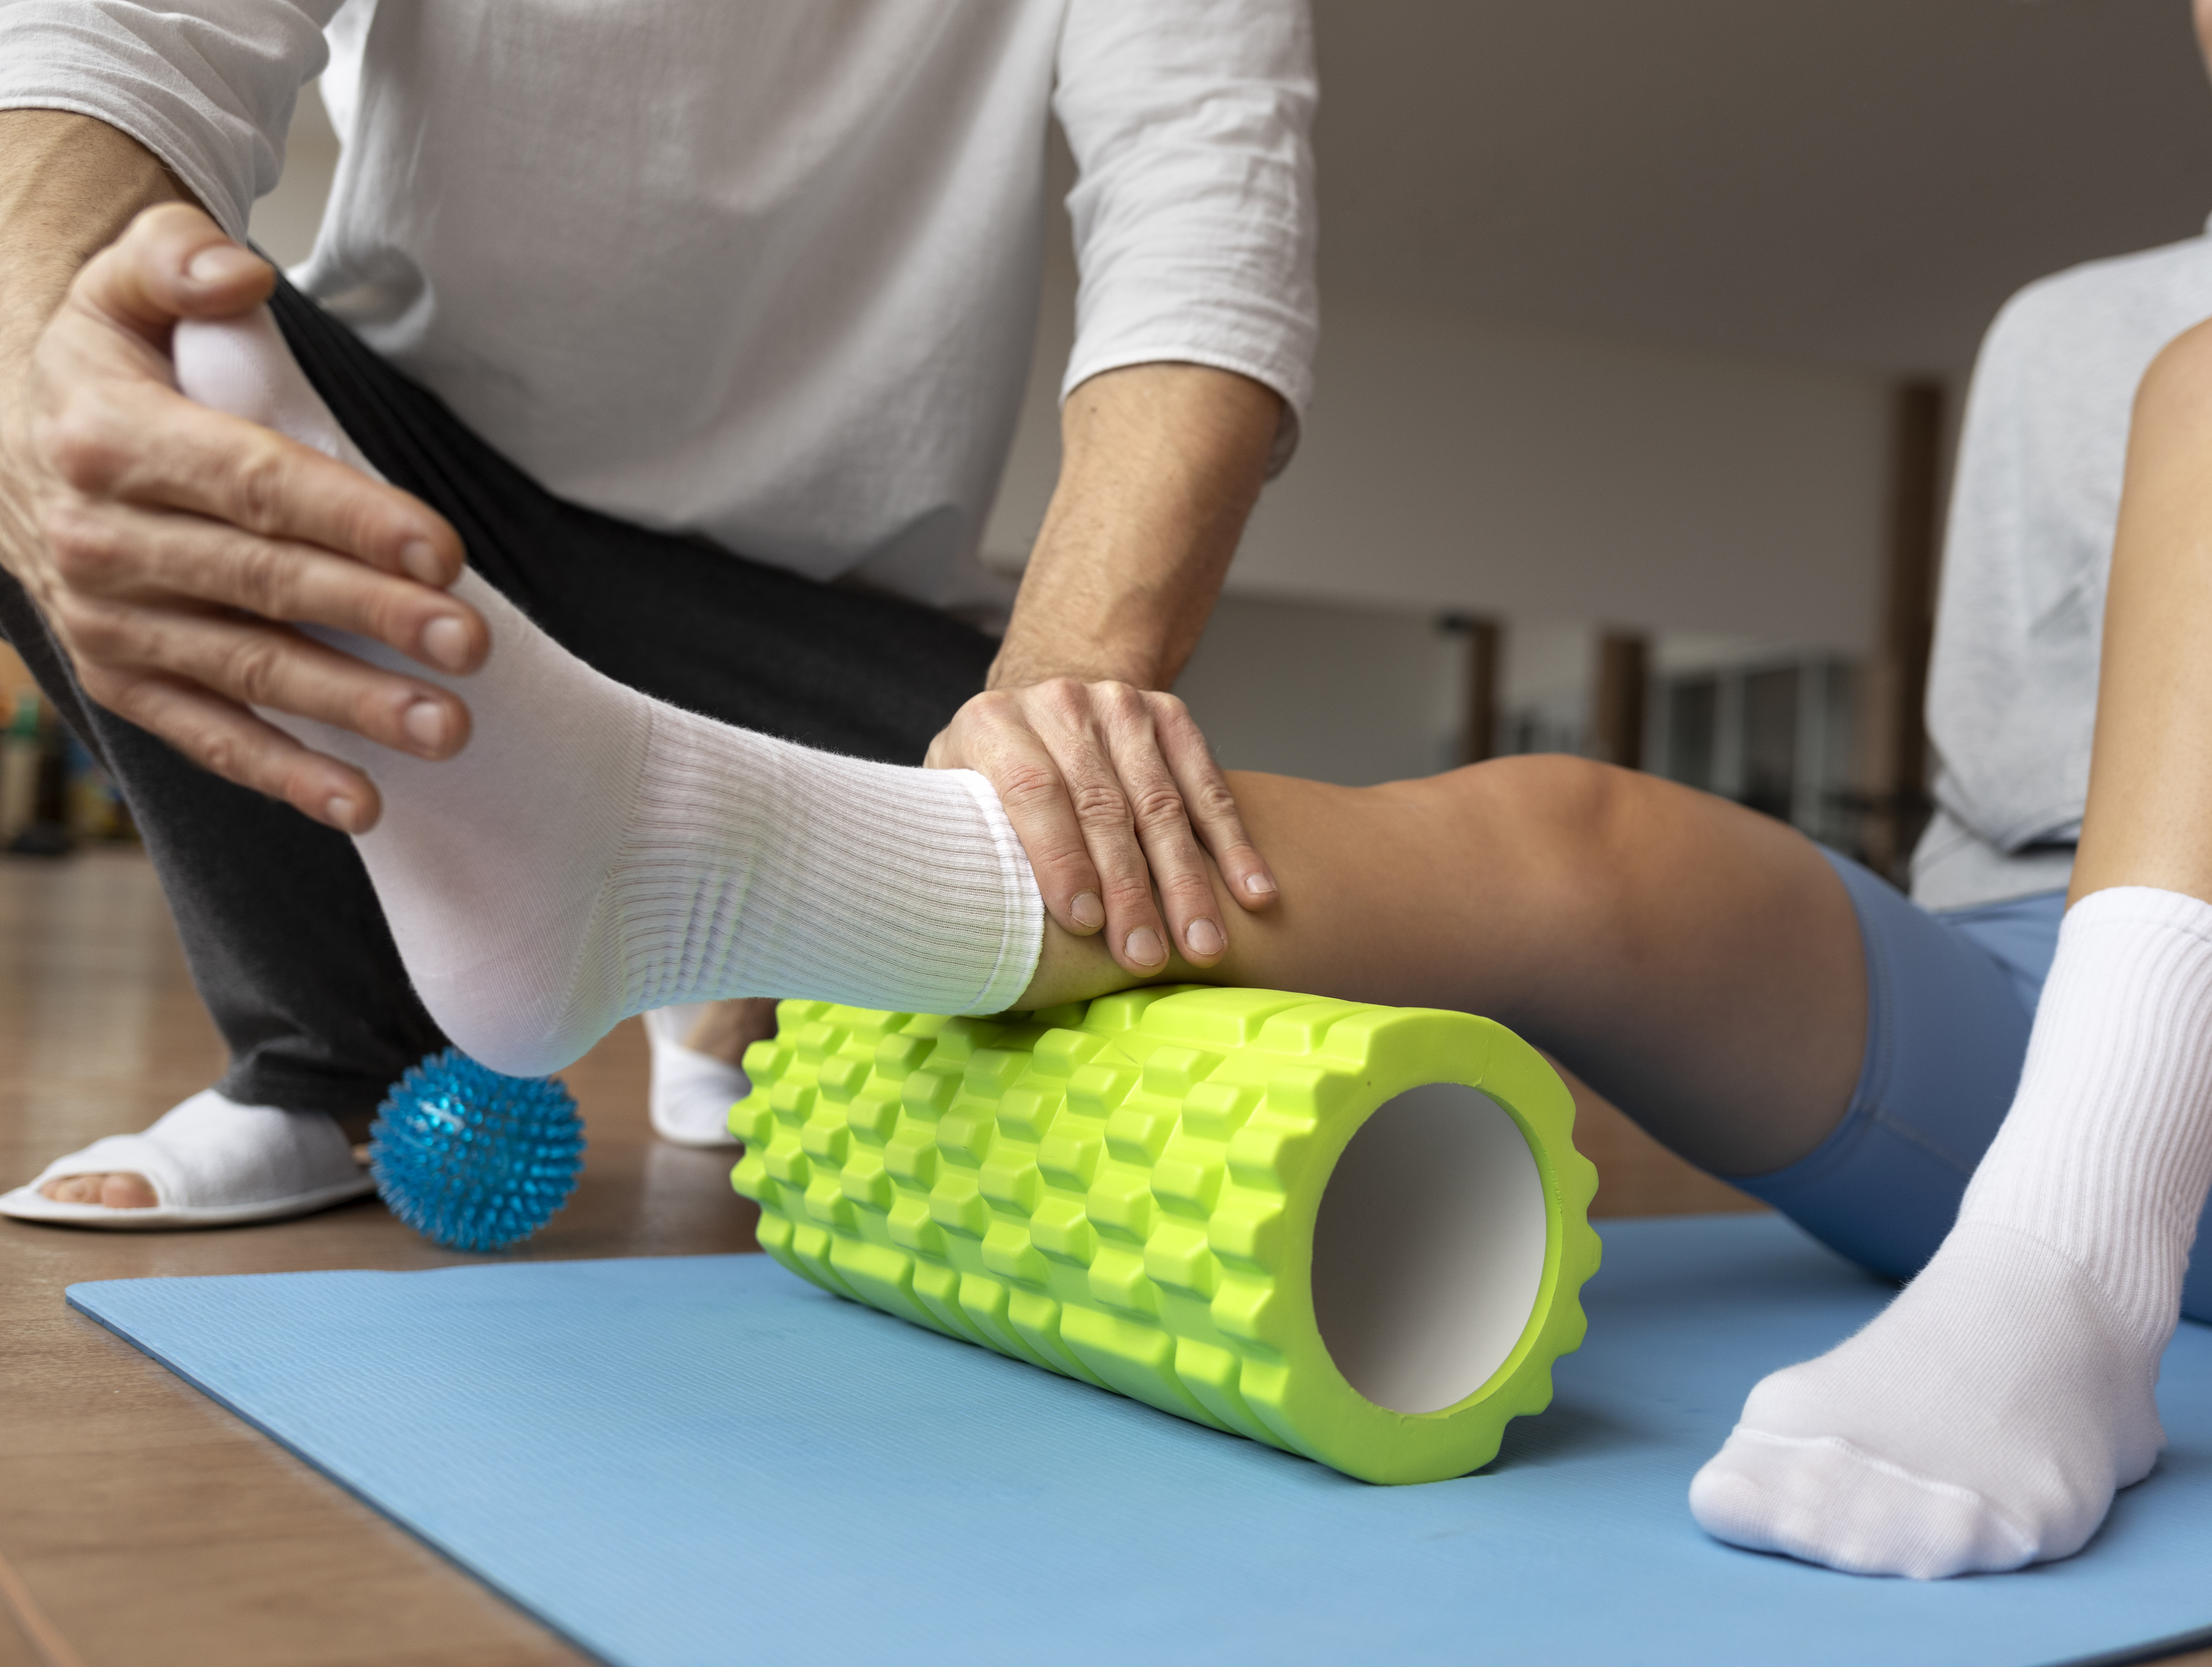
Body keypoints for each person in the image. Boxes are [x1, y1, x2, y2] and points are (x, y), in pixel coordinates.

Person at [12, 0, 2212, 1585]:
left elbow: (1210, 200)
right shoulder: (2060, 330)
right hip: (2025, 1027)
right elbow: (2011, 796)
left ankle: (2072, 1273)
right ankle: (659, 868)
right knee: (1566, 835)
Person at [0, 1, 1316, 1225]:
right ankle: (328, 1059)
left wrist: (1052, 706)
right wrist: (35, 374)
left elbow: (1203, 204)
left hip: (820, 621)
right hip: (423, 522)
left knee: (1150, 865)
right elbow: (118, 37)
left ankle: (703, 945)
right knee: (112, 326)